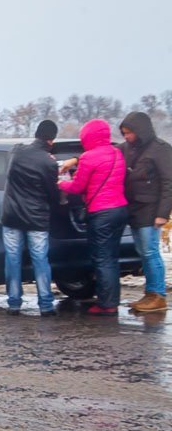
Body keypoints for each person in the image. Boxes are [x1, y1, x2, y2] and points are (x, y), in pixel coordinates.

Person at [58, 119, 128, 315]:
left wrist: (61, 184)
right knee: (112, 258)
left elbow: (77, 187)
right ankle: (112, 299)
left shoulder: (89, 157)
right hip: (120, 210)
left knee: (102, 258)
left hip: (101, 212)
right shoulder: (117, 153)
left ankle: (107, 304)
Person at [0, 120, 61, 317]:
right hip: (37, 218)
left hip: (11, 216)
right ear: (51, 140)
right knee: (40, 260)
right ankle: (45, 304)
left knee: (12, 259)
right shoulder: (49, 162)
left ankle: (14, 303)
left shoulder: (17, 151)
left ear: (36, 134)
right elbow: (53, 194)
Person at [119, 111, 172, 313]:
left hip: (151, 210)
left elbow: (169, 183)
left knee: (150, 253)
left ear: (140, 131)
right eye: (123, 133)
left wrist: (163, 213)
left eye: (129, 133)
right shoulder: (126, 149)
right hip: (135, 210)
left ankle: (158, 295)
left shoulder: (161, 150)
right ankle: (150, 293)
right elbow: (106, 154)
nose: (126, 137)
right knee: (143, 253)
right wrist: (74, 160)